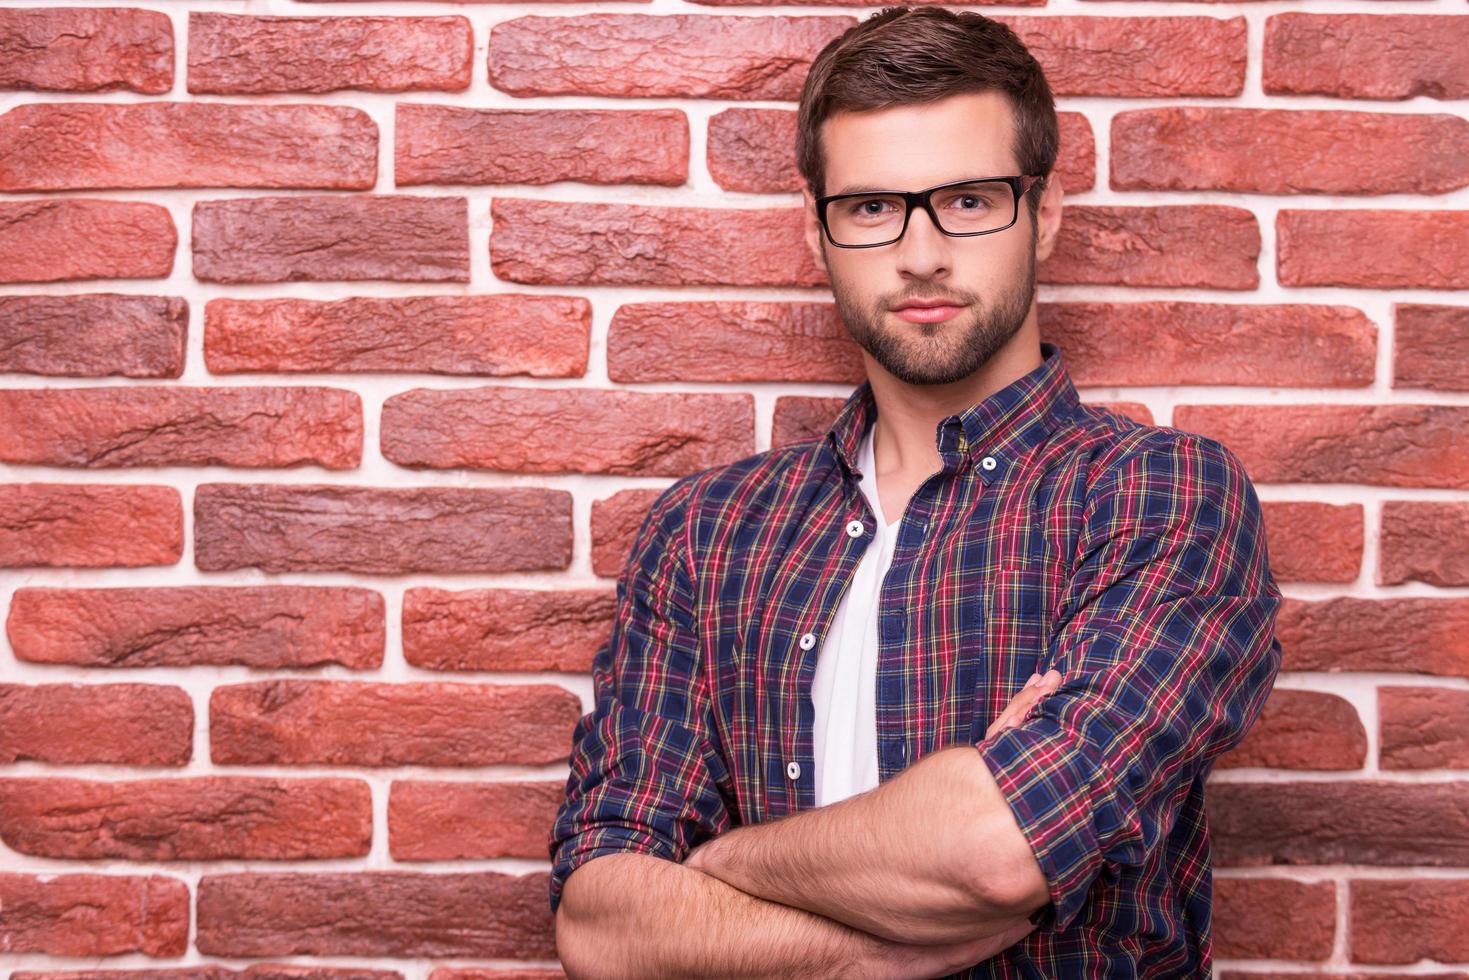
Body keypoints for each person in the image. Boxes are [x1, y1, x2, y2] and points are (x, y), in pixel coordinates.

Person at [548, 6, 1284, 977]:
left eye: (968, 200)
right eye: (870, 207)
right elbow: (601, 922)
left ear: (1043, 211)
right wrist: (876, 953)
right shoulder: (707, 532)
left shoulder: (1157, 495)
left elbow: (990, 850)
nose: (921, 251)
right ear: (818, 235)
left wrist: (719, 867)